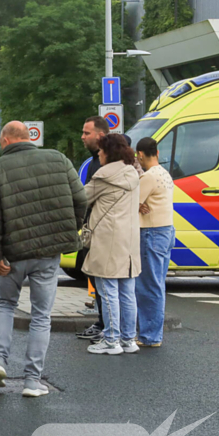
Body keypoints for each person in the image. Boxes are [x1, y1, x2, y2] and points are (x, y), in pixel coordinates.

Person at [0, 122, 87, 398]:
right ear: (29, 139)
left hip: (12, 254)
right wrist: (68, 230)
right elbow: (81, 199)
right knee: (41, 316)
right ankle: (31, 381)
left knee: (5, 305)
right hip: (47, 254)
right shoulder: (58, 159)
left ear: (5, 140)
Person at [83, 134, 141, 355]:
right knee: (127, 292)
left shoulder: (103, 176)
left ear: (108, 152)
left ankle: (111, 340)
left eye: (100, 150)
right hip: (129, 239)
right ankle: (128, 339)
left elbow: (80, 198)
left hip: (107, 238)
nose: (98, 154)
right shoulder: (132, 173)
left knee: (107, 292)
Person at [135, 137, 176, 348]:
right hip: (166, 231)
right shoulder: (165, 174)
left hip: (151, 232)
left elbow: (132, 203)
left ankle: (150, 336)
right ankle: (153, 334)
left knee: (148, 286)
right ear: (157, 153)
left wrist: (137, 204)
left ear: (140, 154)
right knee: (157, 284)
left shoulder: (149, 177)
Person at [76, 116, 110, 342]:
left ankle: (109, 327)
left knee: (107, 283)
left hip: (103, 232)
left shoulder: (105, 164)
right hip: (94, 229)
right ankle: (103, 322)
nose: (82, 137)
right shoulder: (93, 161)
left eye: (86, 133)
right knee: (96, 279)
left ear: (100, 135)